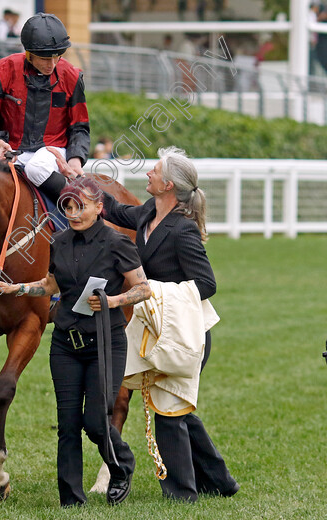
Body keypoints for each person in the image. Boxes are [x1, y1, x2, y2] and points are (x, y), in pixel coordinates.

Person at [80, 146, 239, 503]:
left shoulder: (182, 230)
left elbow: (207, 284)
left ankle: (182, 495)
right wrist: (76, 180)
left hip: (186, 332)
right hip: (159, 330)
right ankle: (221, 481)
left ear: (167, 185)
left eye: (154, 171)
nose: (147, 174)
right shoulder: (149, 212)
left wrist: (156, 292)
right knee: (177, 407)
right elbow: (117, 208)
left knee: (169, 412)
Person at [0, 176, 150, 507]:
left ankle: (121, 465)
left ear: (98, 207)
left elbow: (143, 289)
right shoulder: (59, 241)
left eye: (80, 206)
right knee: (67, 425)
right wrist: (18, 289)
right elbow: (51, 285)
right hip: (65, 343)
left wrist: (112, 301)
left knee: (95, 422)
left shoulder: (117, 242)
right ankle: (71, 500)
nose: (73, 213)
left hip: (105, 343)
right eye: (67, 207)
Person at [0, 12, 89, 209]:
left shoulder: (71, 76)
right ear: (28, 53)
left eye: (57, 57)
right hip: (11, 150)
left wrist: (75, 160)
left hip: (52, 152)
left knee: (36, 169)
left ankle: (80, 206)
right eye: (45, 58)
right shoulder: (2, 71)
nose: (52, 65)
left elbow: (80, 128)